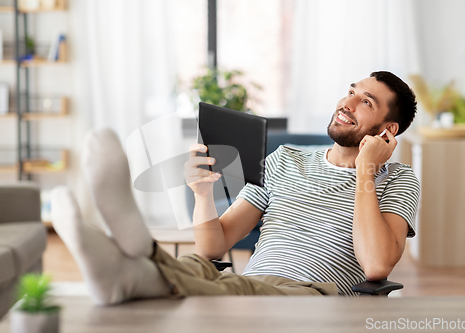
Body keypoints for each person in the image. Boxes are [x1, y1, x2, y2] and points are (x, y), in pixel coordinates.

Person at [51, 71, 419, 304]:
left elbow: (376, 265)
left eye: (365, 102)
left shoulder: (398, 180)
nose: (347, 103)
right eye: (351, 91)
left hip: (309, 296)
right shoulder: (285, 159)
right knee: (199, 267)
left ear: (388, 131)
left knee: (229, 288)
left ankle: (135, 262)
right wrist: (201, 194)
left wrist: (366, 170)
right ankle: (134, 259)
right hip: (252, 284)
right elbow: (215, 244)